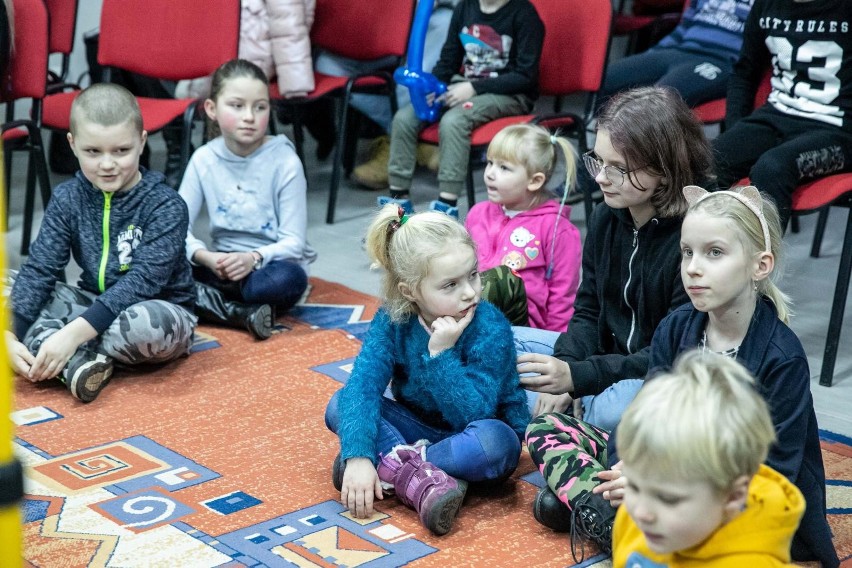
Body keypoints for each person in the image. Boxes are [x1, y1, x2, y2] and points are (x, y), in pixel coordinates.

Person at [526, 186, 839, 566]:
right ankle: (613, 513)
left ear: (761, 265)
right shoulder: (676, 328)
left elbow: (774, 472)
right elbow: (645, 417)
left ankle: (607, 513)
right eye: (687, 252)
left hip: (734, 498)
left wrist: (660, 486)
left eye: (715, 253)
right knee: (547, 428)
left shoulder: (781, 357)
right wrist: (634, 467)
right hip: (666, 475)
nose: (693, 267)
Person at [324, 204, 530, 535]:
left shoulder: (489, 325)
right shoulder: (394, 319)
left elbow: (474, 413)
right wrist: (359, 456)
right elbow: (363, 386)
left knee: (495, 444)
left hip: (474, 435)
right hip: (417, 428)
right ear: (411, 292)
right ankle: (421, 478)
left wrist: (439, 357)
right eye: (450, 285)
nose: (469, 292)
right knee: (339, 403)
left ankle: (391, 466)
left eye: (473, 275)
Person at [515, 86, 711, 430]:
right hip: (604, 362)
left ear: (663, 171)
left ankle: (569, 426)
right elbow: (588, 309)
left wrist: (578, 377)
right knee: (504, 344)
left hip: (662, 376)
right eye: (599, 161)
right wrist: (566, 365)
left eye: (618, 168)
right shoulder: (608, 216)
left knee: (613, 411)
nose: (602, 178)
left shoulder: (694, 236)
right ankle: (572, 423)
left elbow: (671, 354)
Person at [5, 83, 197, 403]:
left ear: (142, 143)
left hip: (157, 309)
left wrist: (73, 333)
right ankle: (75, 359)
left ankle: (58, 347)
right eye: (93, 152)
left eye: (121, 151)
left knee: (143, 328)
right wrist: (11, 331)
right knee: (7, 285)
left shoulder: (167, 205)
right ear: (73, 144)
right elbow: (41, 268)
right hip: (91, 301)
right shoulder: (67, 198)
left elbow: (143, 282)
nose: (107, 164)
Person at [612, 350, 803, 567]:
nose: (641, 512)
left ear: (732, 496)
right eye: (634, 487)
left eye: (668, 499)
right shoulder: (634, 520)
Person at [178, 59, 316, 340]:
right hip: (220, 266)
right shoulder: (203, 158)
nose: (250, 116)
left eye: (260, 107)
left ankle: (212, 302)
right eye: (237, 106)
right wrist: (207, 257)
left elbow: (294, 242)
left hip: (267, 269)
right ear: (212, 110)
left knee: (285, 281)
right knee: (160, 265)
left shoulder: (285, 161)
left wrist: (252, 259)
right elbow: (176, 229)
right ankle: (241, 313)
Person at [379, 0, 545, 217]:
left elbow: (525, 76)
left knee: (454, 121)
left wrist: (473, 88)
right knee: (404, 118)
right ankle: (397, 202)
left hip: (509, 95)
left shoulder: (525, 14)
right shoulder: (465, 7)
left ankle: (446, 207)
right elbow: (449, 59)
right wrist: (434, 87)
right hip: (464, 85)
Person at [712, 0, 852, 229]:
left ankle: (760, 262)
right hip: (776, 114)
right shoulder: (766, 5)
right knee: (707, 160)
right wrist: (736, 131)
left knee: (772, 168)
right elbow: (745, 73)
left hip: (838, 129)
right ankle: (702, 256)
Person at [464, 124, 582, 331]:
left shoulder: (557, 229)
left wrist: (556, 346)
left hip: (520, 328)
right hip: (471, 313)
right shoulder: (477, 214)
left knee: (500, 281)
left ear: (534, 181)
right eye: (489, 163)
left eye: (504, 168)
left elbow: (562, 296)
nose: (490, 173)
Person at [600, 0, 754, 108]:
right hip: (679, 50)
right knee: (604, 80)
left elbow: (760, 48)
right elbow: (683, 28)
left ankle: (634, 153)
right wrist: (651, 55)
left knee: (656, 102)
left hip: (720, 61)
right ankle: (596, 151)